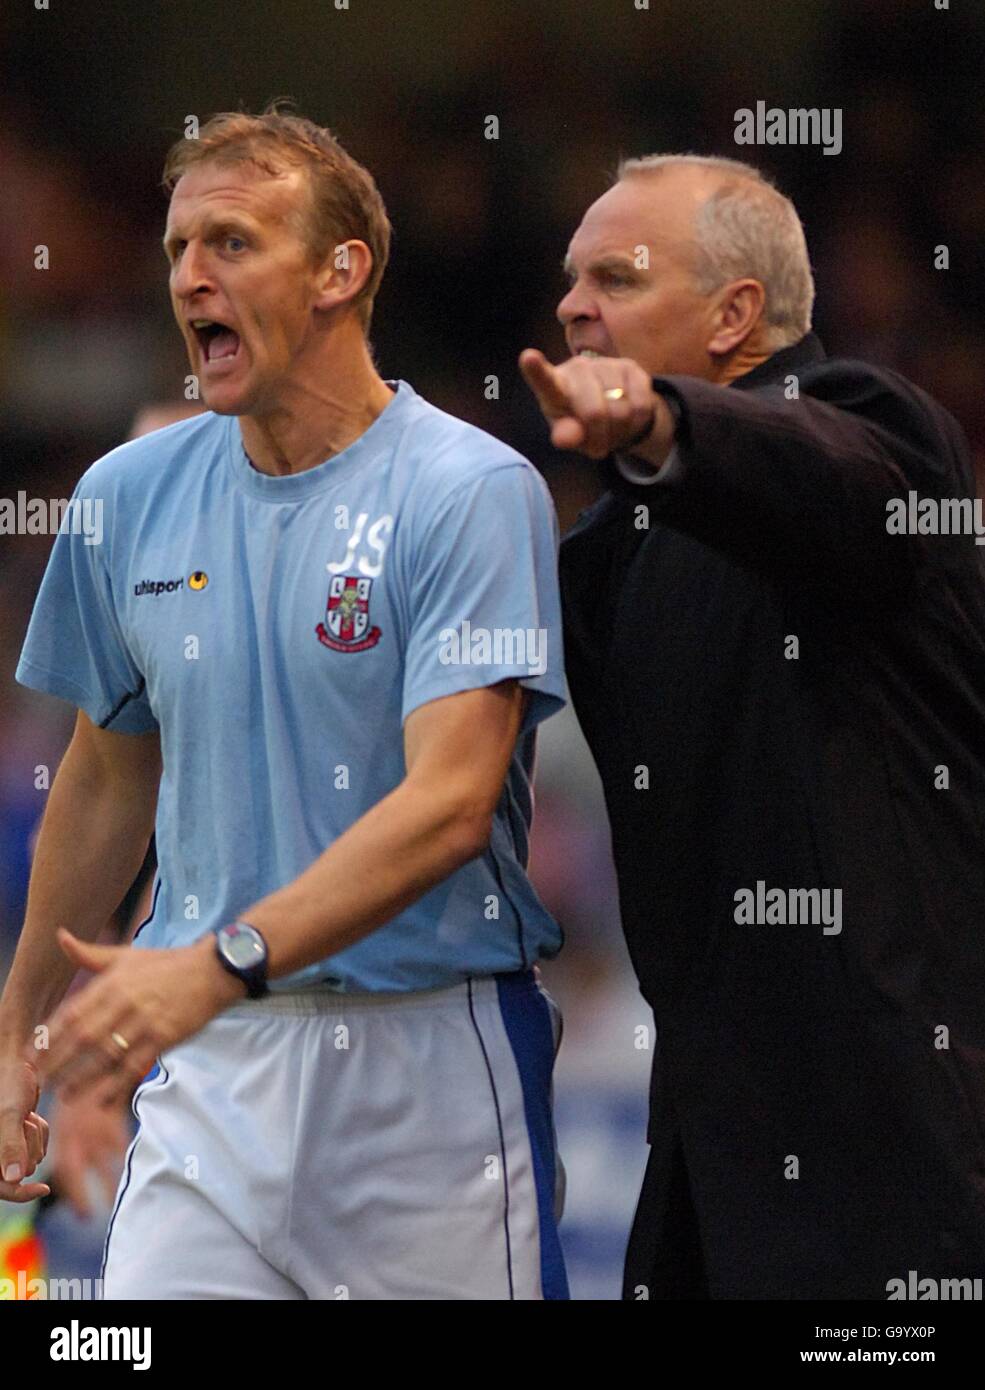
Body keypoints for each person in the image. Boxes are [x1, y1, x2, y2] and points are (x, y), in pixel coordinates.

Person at [0, 106, 568, 1301]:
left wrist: (218, 960)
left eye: (230, 242)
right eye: (174, 251)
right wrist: (18, 1021)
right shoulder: (125, 494)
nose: (188, 277)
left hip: (430, 1067)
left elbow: (452, 804)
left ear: (338, 271)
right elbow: (107, 772)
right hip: (210, 1072)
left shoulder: (470, 490)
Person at [521, 153, 985, 1300]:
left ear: (737, 313)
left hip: (900, 1153)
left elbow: (810, 472)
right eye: (571, 278)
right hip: (703, 1160)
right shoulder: (603, 555)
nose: (575, 304)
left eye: (616, 276)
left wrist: (658, 417)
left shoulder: (876, 429)